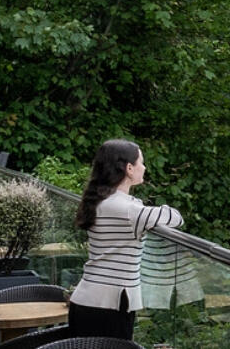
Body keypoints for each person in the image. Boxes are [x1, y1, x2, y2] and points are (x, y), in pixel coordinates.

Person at [68, 139, 183, 339]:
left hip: (86, 300)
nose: (144, 167)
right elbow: (175, 218)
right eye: (141, 162)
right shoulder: (129, 210)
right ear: (129, 168)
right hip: (110, 305)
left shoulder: (98, 201)